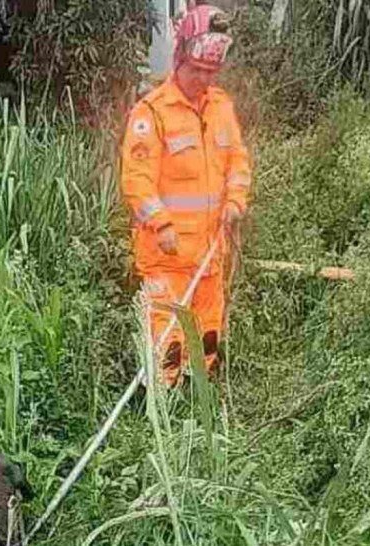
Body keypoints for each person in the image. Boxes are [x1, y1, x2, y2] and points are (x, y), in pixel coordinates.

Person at [120, 2, 251, 386]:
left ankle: (200, 404)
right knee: (167, 341)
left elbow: (237, 161)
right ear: (179, 60)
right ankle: (159, 411)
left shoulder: (221, 107)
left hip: (211, 253)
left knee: (207, 335)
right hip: (168, 255)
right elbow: (136, 179)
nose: (203, 80)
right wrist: (160, 223)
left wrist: (235, 201)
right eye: (197, 70)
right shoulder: (152, 113)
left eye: (211, 72)